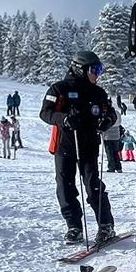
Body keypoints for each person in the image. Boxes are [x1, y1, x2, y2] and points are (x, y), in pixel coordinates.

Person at [39, 50, 118, 245]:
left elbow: (110, 112)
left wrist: (106, 121)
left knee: (93, 185)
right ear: (80, 69)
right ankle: (73, 226)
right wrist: (63, 119)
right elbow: (45, 113)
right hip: (64, 144)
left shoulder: (98, 92)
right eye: (94, 70)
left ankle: (106, 225)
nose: (97, 75)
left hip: (88, 145)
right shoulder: (59, 89)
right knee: (65, 187)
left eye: (99, 70)